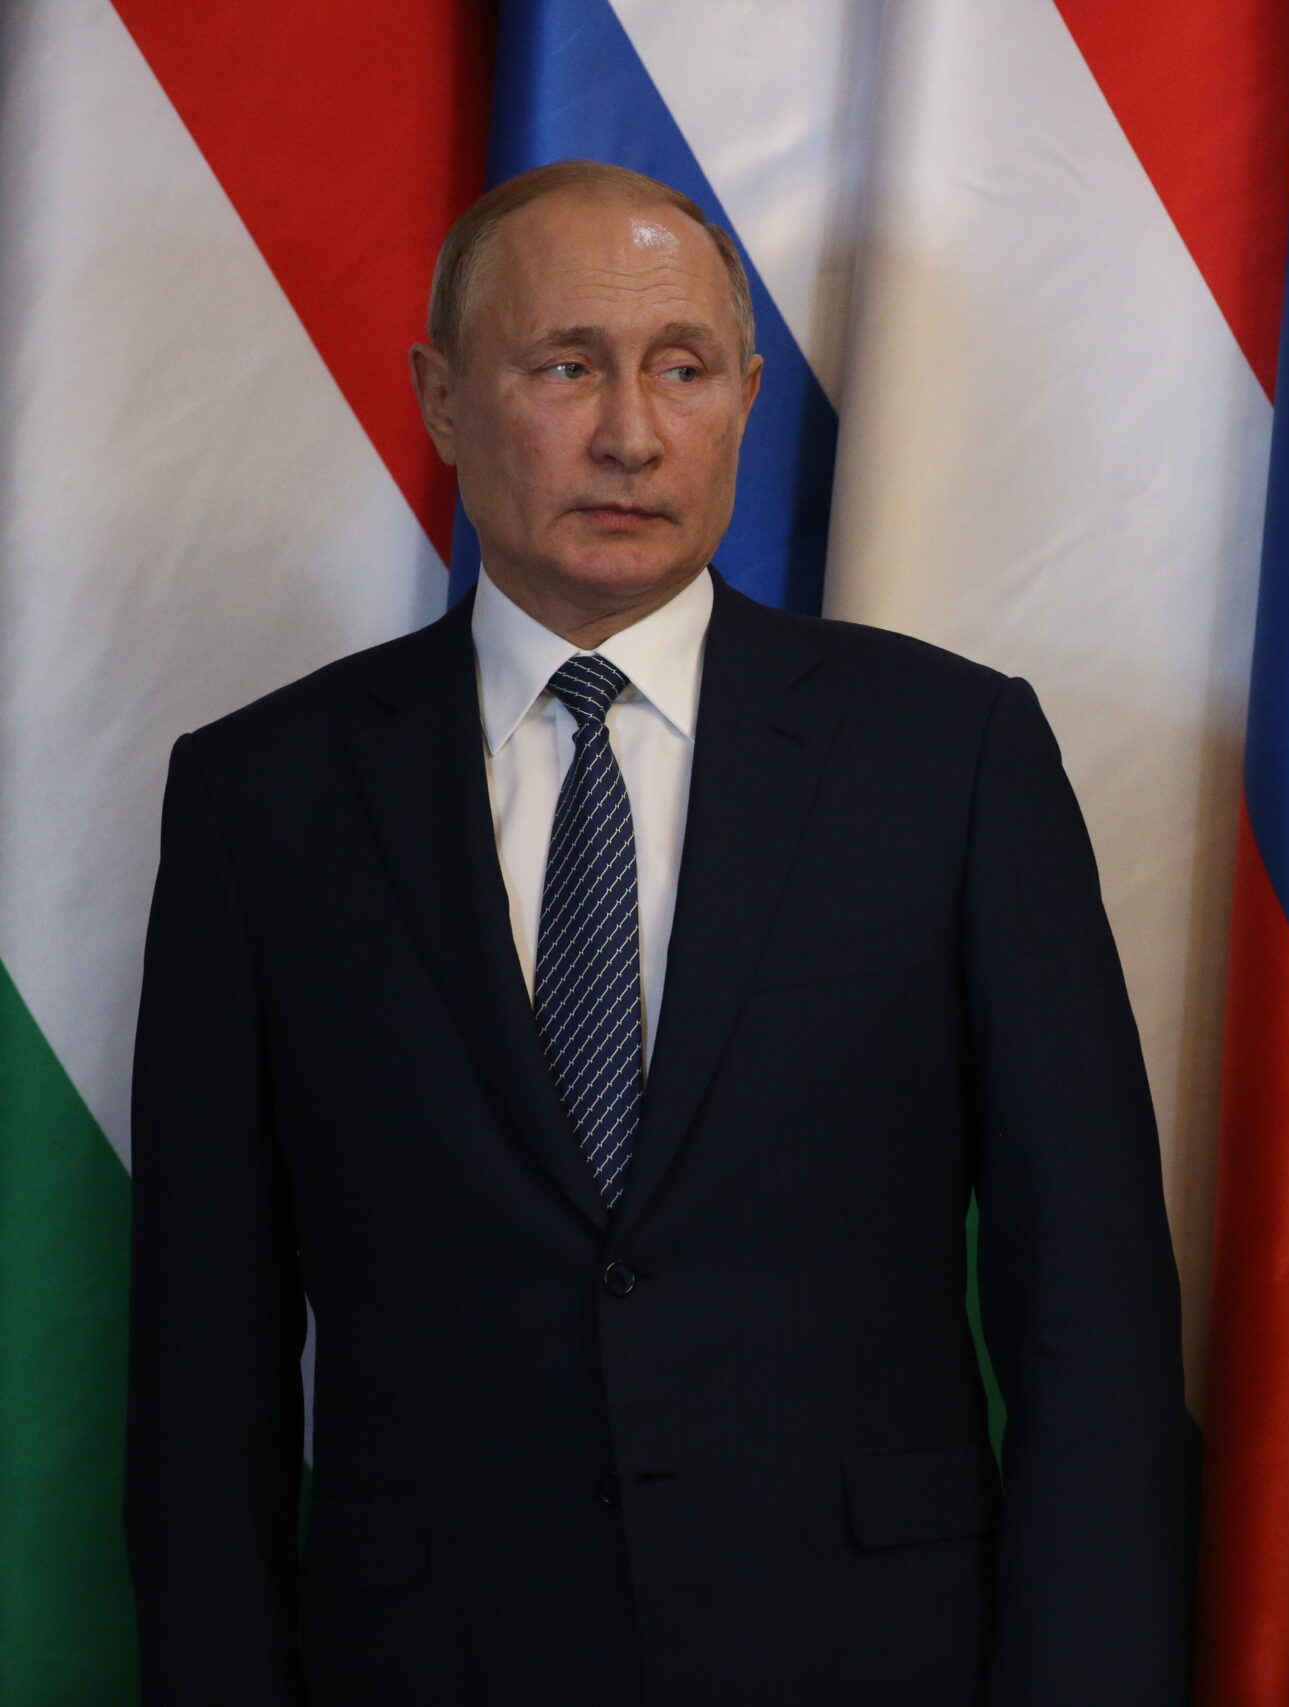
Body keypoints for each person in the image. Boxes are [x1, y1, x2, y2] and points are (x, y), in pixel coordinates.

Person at [123, 160, 1190, 1705]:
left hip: (869, 1660)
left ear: (746, 399)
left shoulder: (951, 760)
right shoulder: (262, 801)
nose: (630, 432)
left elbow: (1091, 1318)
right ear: (441, 399)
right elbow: (201, 1364)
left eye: (681, 369)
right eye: (567, 366)